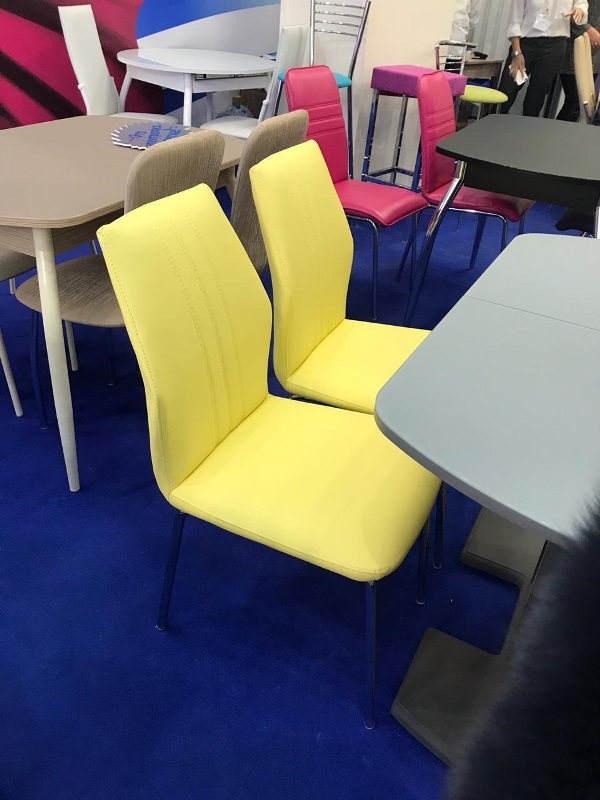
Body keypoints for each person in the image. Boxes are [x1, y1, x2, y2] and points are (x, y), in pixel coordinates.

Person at [498, 0, 589, 117]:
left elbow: (582, 3)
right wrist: (517, 53)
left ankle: (527, 127)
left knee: (536, 97)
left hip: (555, 44)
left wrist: (580, 9)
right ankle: (493, 123)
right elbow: (514, 20)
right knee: (507, 90)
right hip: (525, 43)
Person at [557, 0, 600, 120]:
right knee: (575, 101)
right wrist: (588, 29)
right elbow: (569, 7)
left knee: (584, 104)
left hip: (594, 56)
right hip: (575, 47)